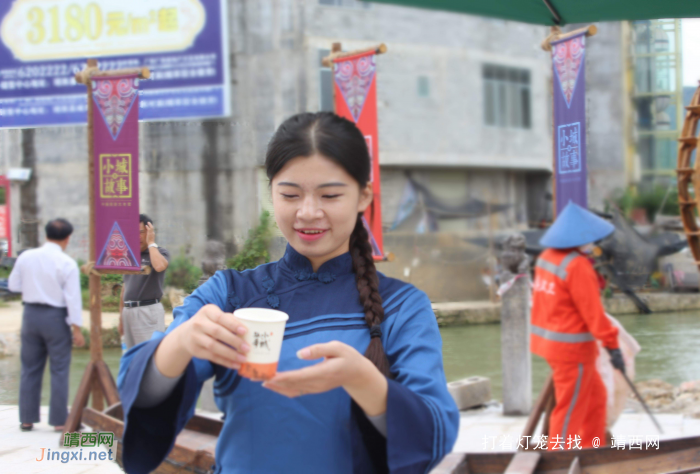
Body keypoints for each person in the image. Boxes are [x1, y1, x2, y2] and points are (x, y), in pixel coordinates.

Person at [117, 112, 459, 474]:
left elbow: (435, 431)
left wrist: (363, 379)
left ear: (363, 196)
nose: (308, 212)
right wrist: (182, 340)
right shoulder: (230, 292)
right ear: (272, 195)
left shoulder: (403, 307)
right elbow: (137, 390)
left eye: (330, 195)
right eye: (290, 194)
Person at [531, 202, 625, 449]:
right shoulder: (578, 266)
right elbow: (594, 314)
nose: (594, 245)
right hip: (572, 352)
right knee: (569, 410)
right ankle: (558, 462)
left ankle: (591, 451)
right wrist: (613, 346)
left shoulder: (546, 258)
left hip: (551, 345)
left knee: (596, 399)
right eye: (592, 240)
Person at [9, 218, 85, 432]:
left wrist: (34, 287)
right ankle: (59, 420)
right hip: (55, 317)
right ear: (67, 239)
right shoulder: (67, 262)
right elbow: (73, 298)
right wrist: (76, 328)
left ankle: (26, 419)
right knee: (59, 368)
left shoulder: (26, 256)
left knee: (29, 367)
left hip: (31, 315)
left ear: (46, 234)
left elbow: (14, 285)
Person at [119, 214, 170, 349]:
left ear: (149, 232)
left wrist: (151, 243)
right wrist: (121, 316)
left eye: (141, 232)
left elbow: (159, 266)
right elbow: (125, 287)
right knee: (130, 358)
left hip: (148, 311)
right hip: (128, 311)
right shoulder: (129, 255)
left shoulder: (160, 253)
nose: (137, 237)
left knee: (149, 355)